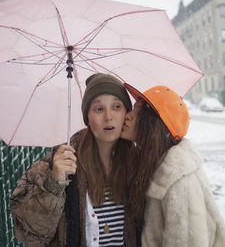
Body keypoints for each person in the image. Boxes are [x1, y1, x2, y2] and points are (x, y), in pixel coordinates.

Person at [9, 73, 141, 247]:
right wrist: (54, 183)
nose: (108, 116)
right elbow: (31, 233)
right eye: (98, 109)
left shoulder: (139, 164)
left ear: (127, 113)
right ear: (87, 117)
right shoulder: (60, 162)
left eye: (116, 106)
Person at [121, 83, 225, 247]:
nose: (128, 115)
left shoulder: (178, 179)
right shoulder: (151, 162)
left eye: (138, 112)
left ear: (155, 125)